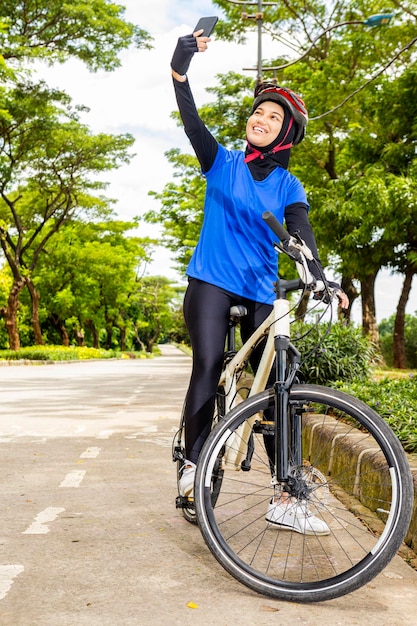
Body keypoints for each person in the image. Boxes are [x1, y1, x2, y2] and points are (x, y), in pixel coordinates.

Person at [171, 29, 349, 535]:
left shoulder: (290, 185)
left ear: (287, 133)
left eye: (274, 116)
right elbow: (190, 118)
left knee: (277, 387)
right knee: (208, 363)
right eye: (259, 112)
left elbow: (303, 238)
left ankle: (286, 495)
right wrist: (181, 68)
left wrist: (321, 276)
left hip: (258, 290)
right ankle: (195, 465)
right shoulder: (222, 161)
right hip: (210, 281)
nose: (262, 119)